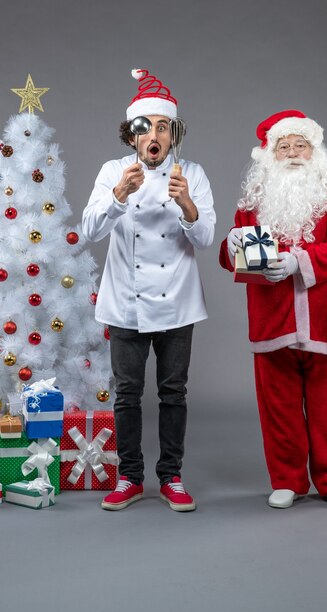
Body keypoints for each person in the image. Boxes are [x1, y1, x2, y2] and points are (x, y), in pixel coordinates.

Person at [83, 69, 216, 511]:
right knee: (126, 394)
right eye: (145, 127)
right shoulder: (112, 172)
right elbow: (88, 231)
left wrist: (187, 205)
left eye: (163, 126)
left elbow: (206, 239)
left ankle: (172, 477)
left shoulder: (191, 173)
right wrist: (118, 196)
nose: (154, 134)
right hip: (124, 301)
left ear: (172, 133)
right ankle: (130, 478)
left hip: (178, 301)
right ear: (132, 135)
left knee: (173, 393)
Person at [219, 110, 327, 509]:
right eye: (285, 147)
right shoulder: (254, 199)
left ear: (315, 151)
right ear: (270, 154)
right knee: (278, 407)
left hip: (323, 320)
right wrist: (230, 245)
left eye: (301, 145)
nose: (294, 153)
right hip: (272, 319)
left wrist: (302, 261)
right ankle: (287, 479)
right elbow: (236, 254)